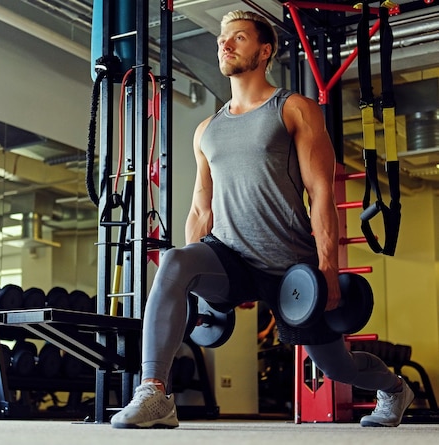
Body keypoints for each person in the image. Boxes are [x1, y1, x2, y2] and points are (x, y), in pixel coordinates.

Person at [110, 10, 414, 429]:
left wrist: (328, 269)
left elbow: (322, 193)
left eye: (238, 37)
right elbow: (201, 207)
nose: (224, 43)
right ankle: (154, 393)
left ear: (265, 50)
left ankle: (395, 388)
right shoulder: (207, 129)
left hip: (291, 266)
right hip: (229, 256)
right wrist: (195, 291)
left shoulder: (294, 109)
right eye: (222, 38)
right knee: (176, 262)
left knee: (337, 366)